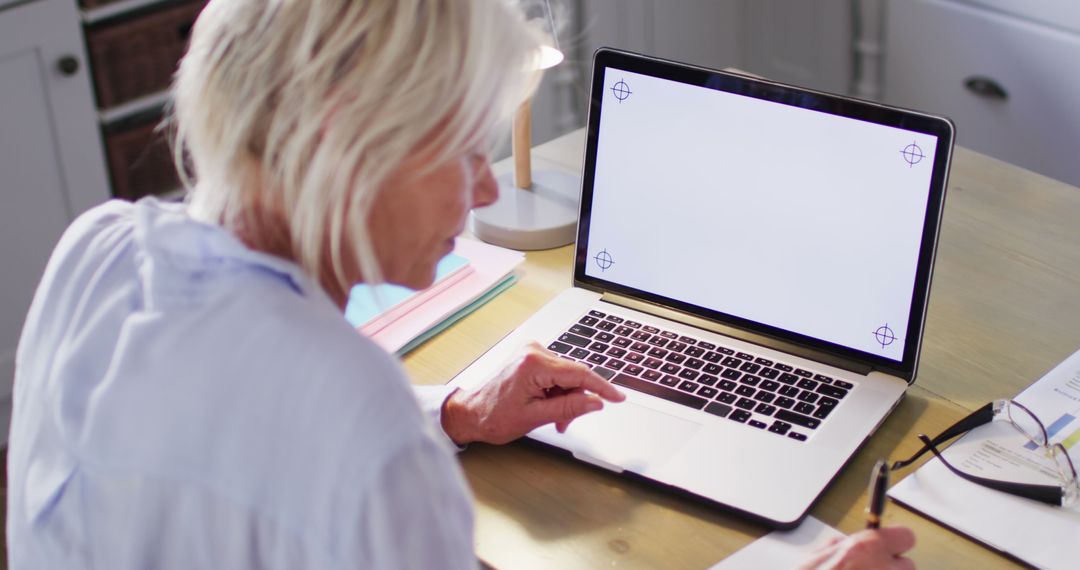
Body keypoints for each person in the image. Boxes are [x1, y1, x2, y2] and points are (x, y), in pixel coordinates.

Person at [5, 1, 916, 568]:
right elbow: (323, 446)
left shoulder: (98, 252)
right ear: (340, 143)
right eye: (459, 148)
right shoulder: (365, 442)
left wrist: (446, 412)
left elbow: (240, 441)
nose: (486, 187)